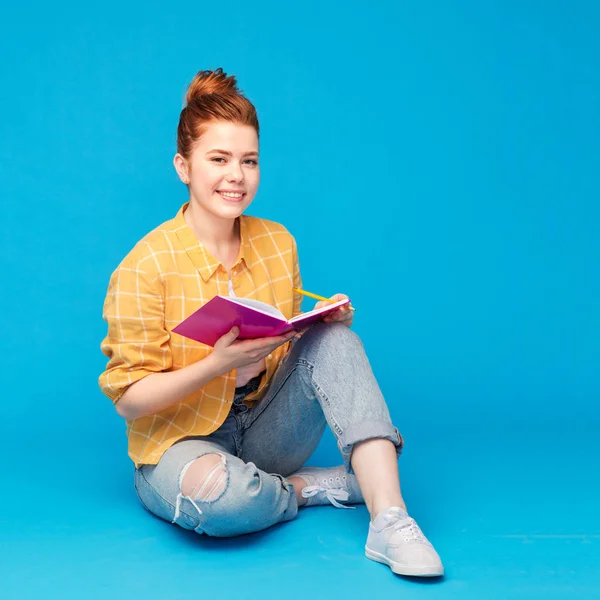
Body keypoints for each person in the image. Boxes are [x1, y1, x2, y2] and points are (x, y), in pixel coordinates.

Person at [99, 68, 444, 577]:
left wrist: (317, 326)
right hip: (179, 445)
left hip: (264, 430)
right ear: (183, 166)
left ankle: (390, 519)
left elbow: (284, 349)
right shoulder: (143, 267)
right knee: (222, 503)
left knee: (338, 339)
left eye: (248, 161)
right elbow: (129, 401)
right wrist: (217, 365)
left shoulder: (278, 242)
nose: (235, 176)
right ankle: (307, 488)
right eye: (218, 159)